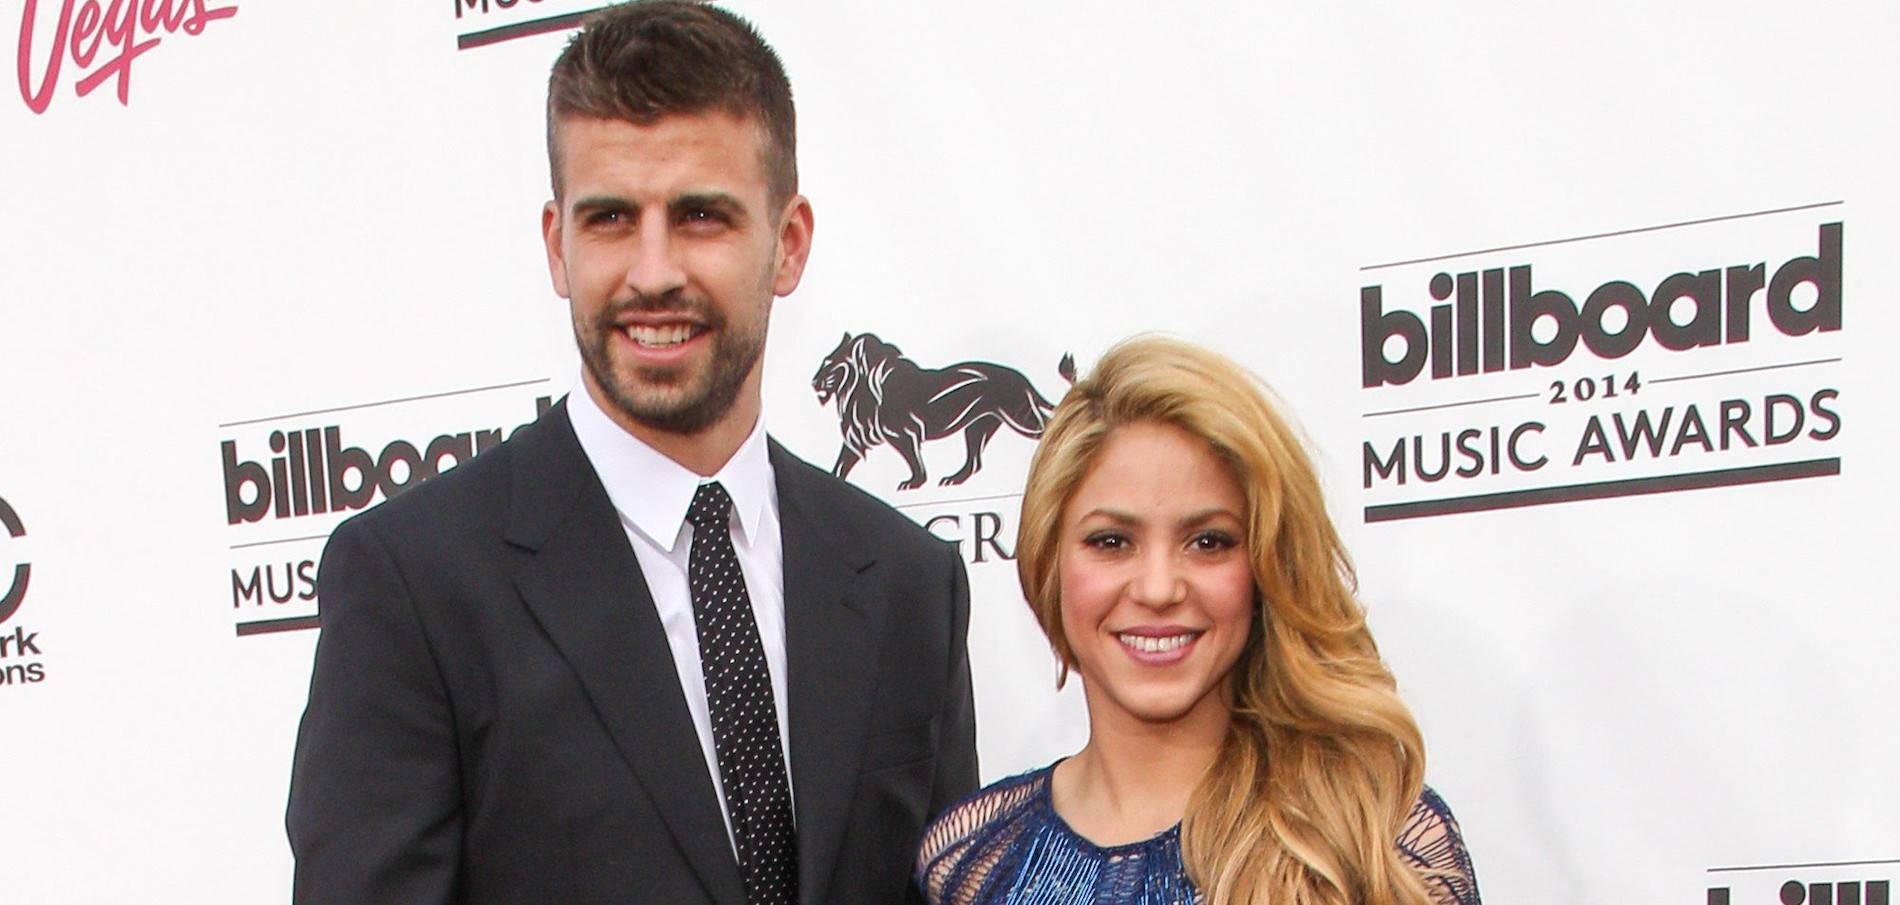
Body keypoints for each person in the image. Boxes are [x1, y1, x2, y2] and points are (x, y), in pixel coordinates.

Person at [286, 3, 978, 903]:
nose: (653, 273)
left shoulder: (909, 584)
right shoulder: (415, 587)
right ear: (557, 246)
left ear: (788, 243)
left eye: (701, 216)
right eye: (611, 218)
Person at [915, 337, 1479, 905]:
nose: (1159, 589)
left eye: (1209, 542)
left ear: (1266, 567)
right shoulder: (971, 862)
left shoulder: (1377, 841)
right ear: (1048, 560)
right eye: (1112, 541)